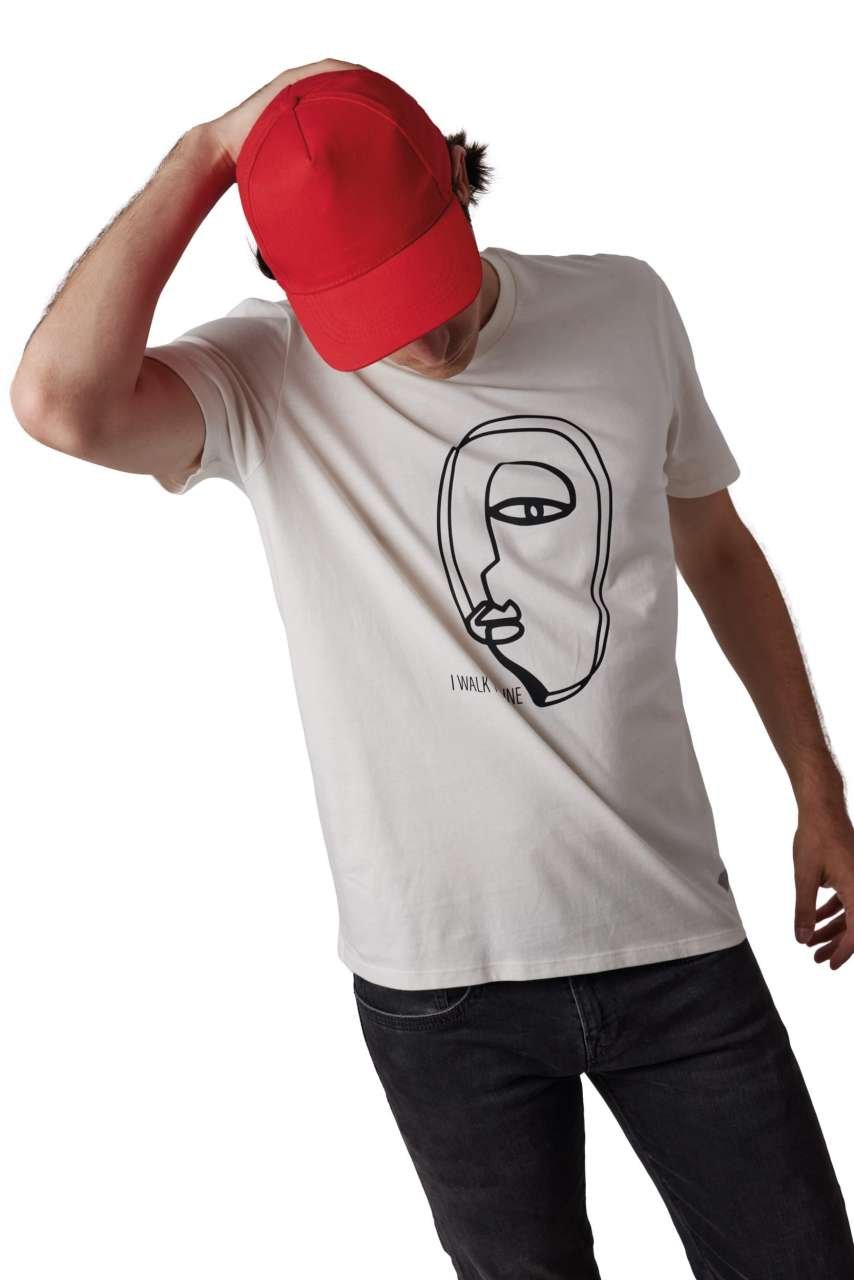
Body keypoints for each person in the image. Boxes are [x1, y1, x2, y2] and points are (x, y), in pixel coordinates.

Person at [11, 57, 854, 1279]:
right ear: (288, 283)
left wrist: (815, 786)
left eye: (430, 288)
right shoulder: (262, 376)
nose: (423, 337)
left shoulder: (624, 306)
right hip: (439, 988)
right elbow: (57, 402)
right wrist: (206, 150)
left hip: (671, 934)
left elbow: (715, 545)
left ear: (459, 183)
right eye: (374, 316)